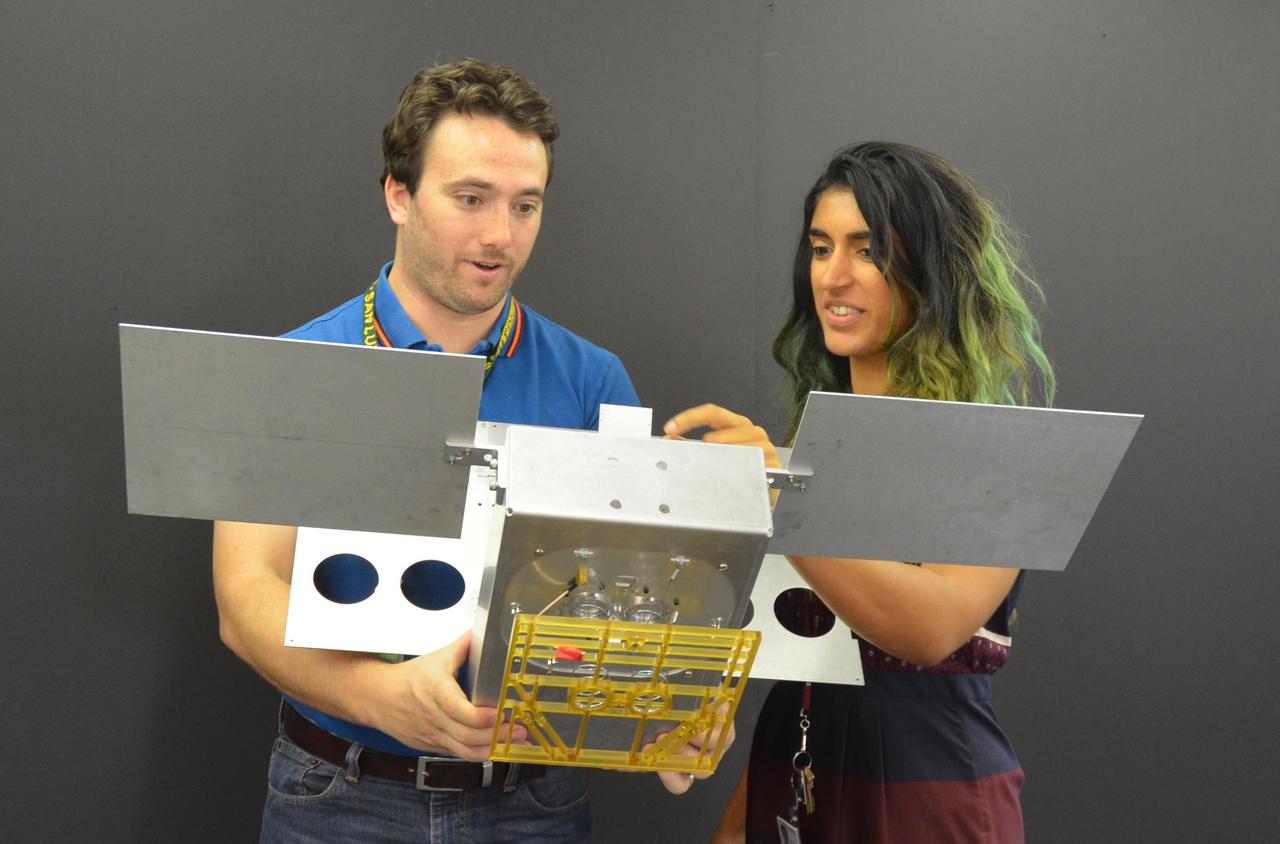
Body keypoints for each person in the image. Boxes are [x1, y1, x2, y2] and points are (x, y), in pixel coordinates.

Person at [212, 58, 705, 844]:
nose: (499, 235)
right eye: (470, 198)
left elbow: (627, 598)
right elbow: (245, 596)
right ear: (398, 195)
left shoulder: (592, 379)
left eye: (525, 205)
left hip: (533, 804)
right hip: (340, 796)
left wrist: (659, 719)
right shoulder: (299, 368)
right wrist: (384, 697)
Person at [664, 141, 1055, 843]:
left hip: (929, 799)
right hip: (794, 787)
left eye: (866, 250)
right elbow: (807, 672)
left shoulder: (1003, 455)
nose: (833, 278)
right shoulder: (809, 455)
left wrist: (779, 498)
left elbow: (930, 629)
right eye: (820, 248)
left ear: (932, 270)